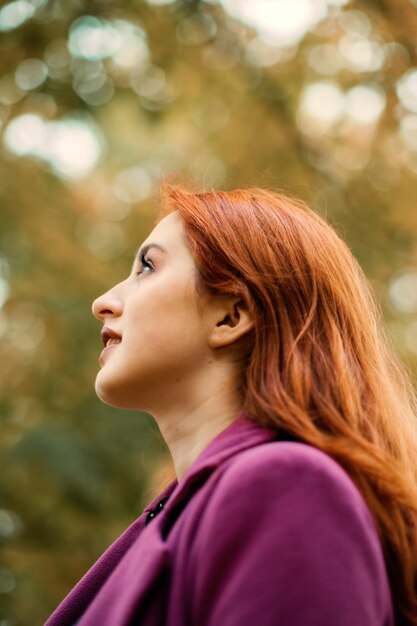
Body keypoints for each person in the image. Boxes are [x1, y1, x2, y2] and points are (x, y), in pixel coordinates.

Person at [45, 184, 417, 626]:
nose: (103, 302)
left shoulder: (285, 487)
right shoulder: (182, 515)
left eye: (147, 266)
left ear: (230, 316)